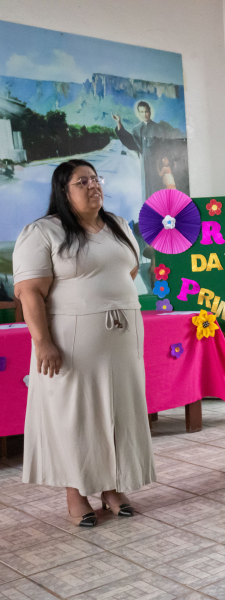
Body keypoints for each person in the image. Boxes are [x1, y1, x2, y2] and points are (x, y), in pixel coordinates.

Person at [13, 159, 155, 527]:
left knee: (118, 413)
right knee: (77, 417)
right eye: (82, 181)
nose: (93, 185)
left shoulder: (117, 225)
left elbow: (128, 272)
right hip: (71, 342)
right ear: (63, 191)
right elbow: (29, 292)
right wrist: (43, 342)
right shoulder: (44, 231)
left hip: (121, 340)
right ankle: (76, 492)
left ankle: (111, 487)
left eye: (95, 178)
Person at [112, 101, 163, 200]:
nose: (145, 114)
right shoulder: (137, 129)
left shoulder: (158, 128)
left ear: (150, 112)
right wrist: (119, 123)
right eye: (142, 112)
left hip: (157, 164)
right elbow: (131, 143)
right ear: (139, 113)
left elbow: (163, 146)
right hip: (144, 165)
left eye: (146, 111)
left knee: (158, 190)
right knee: (146, 191)